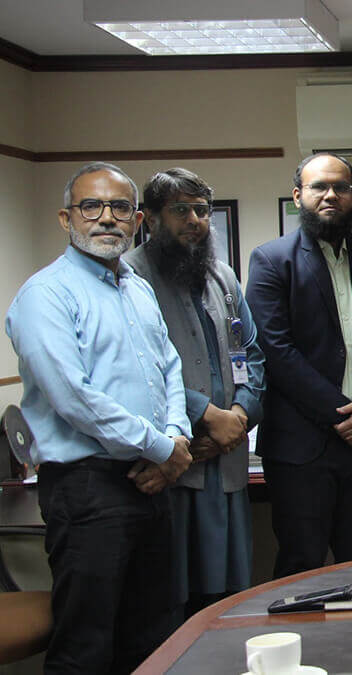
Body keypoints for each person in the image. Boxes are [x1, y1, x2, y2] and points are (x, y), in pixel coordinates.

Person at [5, 162, 192, 672]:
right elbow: (73, 397)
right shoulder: (45, 294)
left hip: (152, 483)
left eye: (120, 207)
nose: (107, 218)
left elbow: (169, 367)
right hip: (88, 489)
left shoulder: (137, 287)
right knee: (85, 648)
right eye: (91, 206)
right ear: (66, 218)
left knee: (152, 637)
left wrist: (176, 436)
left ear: (138, 220)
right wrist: (164, 448)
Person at [246, 152, 352, 578]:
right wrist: (342, 413)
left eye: (341, 187)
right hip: (301, 447)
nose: (331, 195)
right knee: (302, 564)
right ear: (297, 195)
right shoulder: (271, 260)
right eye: (319, 186)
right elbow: (276, 350)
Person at [124, 168, 265, 618]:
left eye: (201, 210)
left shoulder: (221, 276)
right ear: (150, 218)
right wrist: (207, 415)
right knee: (172, 600)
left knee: (228, 599)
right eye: (180, 210)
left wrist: (239, 416)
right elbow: (136, 366)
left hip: (225, 461)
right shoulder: (129, 277)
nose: (193, 220)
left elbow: (252, 353)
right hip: (172, 465)